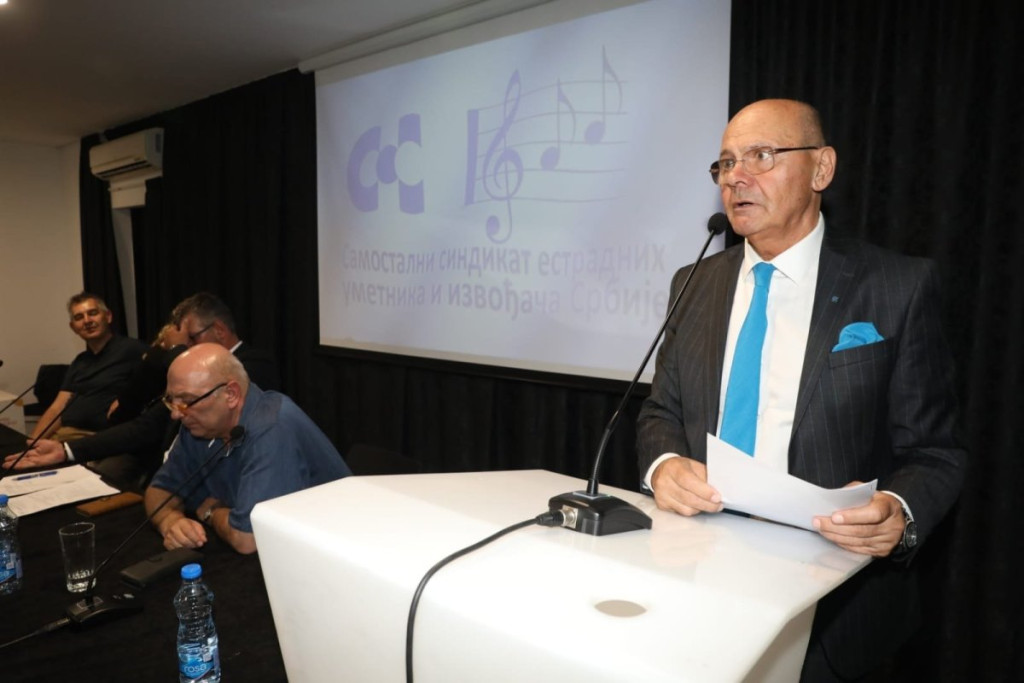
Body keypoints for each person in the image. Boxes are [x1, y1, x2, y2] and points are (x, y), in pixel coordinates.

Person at [636, 99, 966, 681]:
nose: (737, 177)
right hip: (695, 583)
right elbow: (660, 411)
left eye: (761, 156)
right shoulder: (693, 283)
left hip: (834, 612)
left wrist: (898, 508)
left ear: (821, 169)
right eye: (726, 163)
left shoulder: (897, 286)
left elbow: (935, 452)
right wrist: (663, 466)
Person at [4, 294, 280, 490]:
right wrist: (66, 450)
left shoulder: (255, 362)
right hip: (167, 471)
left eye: (191, 339)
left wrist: (176, 350)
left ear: (219, 330)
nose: (188, 348)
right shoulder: (184, 376)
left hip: (220, 480)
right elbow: (144, 424)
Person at [145, 343, 350, 554]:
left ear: (231, 394)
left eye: (187, 401)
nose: (176, 414)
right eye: (171, 401)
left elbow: (247, 540)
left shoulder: (272, 428)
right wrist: (170, 521)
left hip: (334, 552)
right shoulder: (198, 427)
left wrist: (212, 513)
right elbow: (158, 491)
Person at [27, 292, 145, 441]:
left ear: (108, 316)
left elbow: (160, 383)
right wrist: (32, 442)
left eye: (93, 313)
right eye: (79, 317)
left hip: (98, 438)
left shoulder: (132, 350)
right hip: (64, 433)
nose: (87, 321)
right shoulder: (80, 361)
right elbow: (57, 407)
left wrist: (126, 399)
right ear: (73, 327)